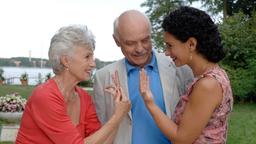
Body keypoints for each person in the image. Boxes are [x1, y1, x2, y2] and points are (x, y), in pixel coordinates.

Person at [16, 25, 130, 144]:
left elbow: (102, 141)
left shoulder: (84, 98)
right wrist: (117, 116)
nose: (93, 64)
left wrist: (118, 111)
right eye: (87, 57)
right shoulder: (45, 97)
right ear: (66, 61)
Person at [93, 10, 193, 144]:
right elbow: (101, 127)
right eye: (130, 43)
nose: (140, 49)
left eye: (145, 40)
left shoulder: (180, 66)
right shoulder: (103, 77)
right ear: (117, 41)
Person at [139, 6, 233, 144]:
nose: (166, 52)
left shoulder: (207, 85)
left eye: (170, 45)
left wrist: (150, 103)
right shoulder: (215, 75)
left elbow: (181, 139)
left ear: (191, 44)